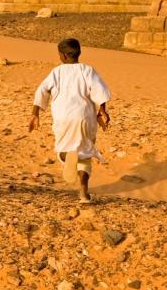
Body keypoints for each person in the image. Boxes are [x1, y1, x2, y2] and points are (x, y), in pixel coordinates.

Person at [28, 38, 112, 203]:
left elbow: (42, 90)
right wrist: (102, 111)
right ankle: (84, 193)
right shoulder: (87, 70)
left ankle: (67, 156)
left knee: (64, 148)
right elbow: (99, 90)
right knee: (85, 154)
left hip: (63, 117)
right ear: (78, 53)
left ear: (62, 56)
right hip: (84, 117)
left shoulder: (57, 72)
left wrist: (35, 113)